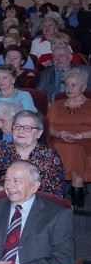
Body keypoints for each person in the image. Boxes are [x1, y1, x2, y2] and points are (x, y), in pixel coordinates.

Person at [0, 110, 65, 197]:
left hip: (37, 207)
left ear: (39, 133)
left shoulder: (50, 156)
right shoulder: (0, 149)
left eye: (27, 128)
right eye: (17, 126)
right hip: (4, 201)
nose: (20, 131)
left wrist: (25, 199)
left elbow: (57, 191)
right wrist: (8, 192)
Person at [48, 68, 91, 206]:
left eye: (74, 85)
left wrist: (79, 136)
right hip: (60, 139)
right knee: (56, 146)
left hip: (85, 140)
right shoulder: (56, 105)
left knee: (76, 148)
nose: (69, 88)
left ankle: (76, 197)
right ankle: (55, 194)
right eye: (66, 85)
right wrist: (59, 134)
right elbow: (48, 127)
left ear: (83, 87)